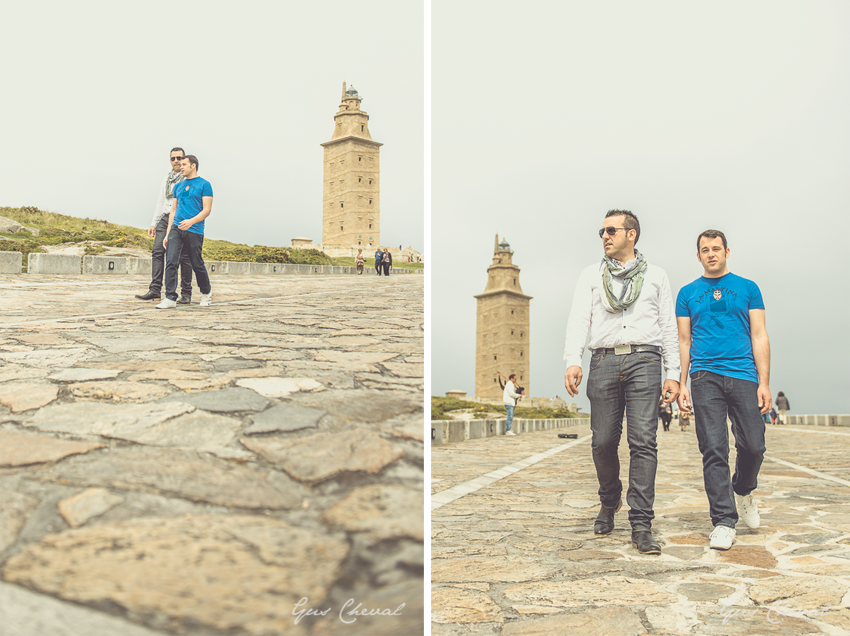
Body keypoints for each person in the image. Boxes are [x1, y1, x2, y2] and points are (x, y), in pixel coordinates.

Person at [564, 210, 680, 555]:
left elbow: (668, 327)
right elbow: (578, 319)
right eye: (602, 230)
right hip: (603, 360)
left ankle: (641, 523)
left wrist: (673, 373)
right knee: (602, 441)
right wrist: (573, 359)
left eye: (611, 230)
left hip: (645, 358)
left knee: (643, 441)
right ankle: (609, 499)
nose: (604, 235)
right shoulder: (590, 275)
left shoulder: (657, 276)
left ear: (632, 235)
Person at [676, 229, 771, 551]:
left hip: (744, 374)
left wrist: (764, 382)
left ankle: (743, 488)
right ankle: (723, 521)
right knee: (713, 448)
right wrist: (681, 383)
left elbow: (759, 336)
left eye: (716, 248)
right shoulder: (687, 293)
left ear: (727, 251)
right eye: (705, 250)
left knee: (754, 446)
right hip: (705, 377)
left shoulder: (748, 288)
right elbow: (684, 341)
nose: (711, 254)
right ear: (699, 256)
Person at [135, 147, 193, 302]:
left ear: (184, 160)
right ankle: (154, 290)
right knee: (157, 251)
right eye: (173, 158)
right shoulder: (166, 180)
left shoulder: (188, 179)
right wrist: (153, 223)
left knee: (184, 257)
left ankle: (186, 293)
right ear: (170, 160)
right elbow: (161, 202)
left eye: (179, 158)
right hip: (165, 218)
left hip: (181, 219)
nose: (176, 161)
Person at [156, 155, 213, 309]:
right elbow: (173, 210)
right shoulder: (178, 187)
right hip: (176, 228)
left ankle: (206, 292)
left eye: (184, 164)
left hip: (194, 229)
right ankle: (170, 297)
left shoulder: (204, 185)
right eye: (180, 165)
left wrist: (191, 221)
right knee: (171, 261)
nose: (181, 167)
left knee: (196, 263)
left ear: (193, 166)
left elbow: (207, 210)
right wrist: (168, 233)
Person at [499, 372, 522, 436]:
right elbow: (511, 394)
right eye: (515, 379)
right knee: (509, 416)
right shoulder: (509, 384)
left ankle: (509, 429)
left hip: (511, 403)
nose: (516, 380)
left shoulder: (511, 384)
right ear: (511, 379)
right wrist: (518, 396)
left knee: (511, 417)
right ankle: (508, 430)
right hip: (509, 403)